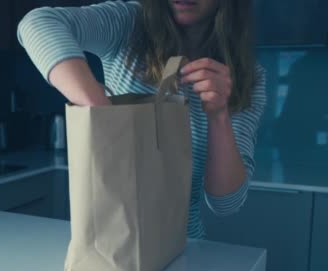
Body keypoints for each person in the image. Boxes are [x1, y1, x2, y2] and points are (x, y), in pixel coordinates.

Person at [17, 0, 266, 239]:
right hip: (112, 246)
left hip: (185, 247)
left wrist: (219, 115)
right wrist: (101, 109)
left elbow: (226, 204)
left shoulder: (246, 77)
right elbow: (36, 22)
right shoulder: (130, 23)